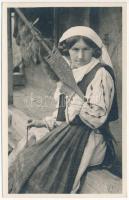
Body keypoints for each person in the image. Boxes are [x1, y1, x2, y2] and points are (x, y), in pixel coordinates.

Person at [9, 26, 118, 194]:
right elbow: (63, 114)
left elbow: (97, 117)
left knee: (49, 177)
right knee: (27, 159)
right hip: (67, 133)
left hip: (89, 139)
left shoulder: (101, 74)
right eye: (75, 50)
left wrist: (73, 94)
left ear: (94, 50)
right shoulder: (71, 73)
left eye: (86, 49)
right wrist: (44, 122)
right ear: (68, 50)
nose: (80, 55)